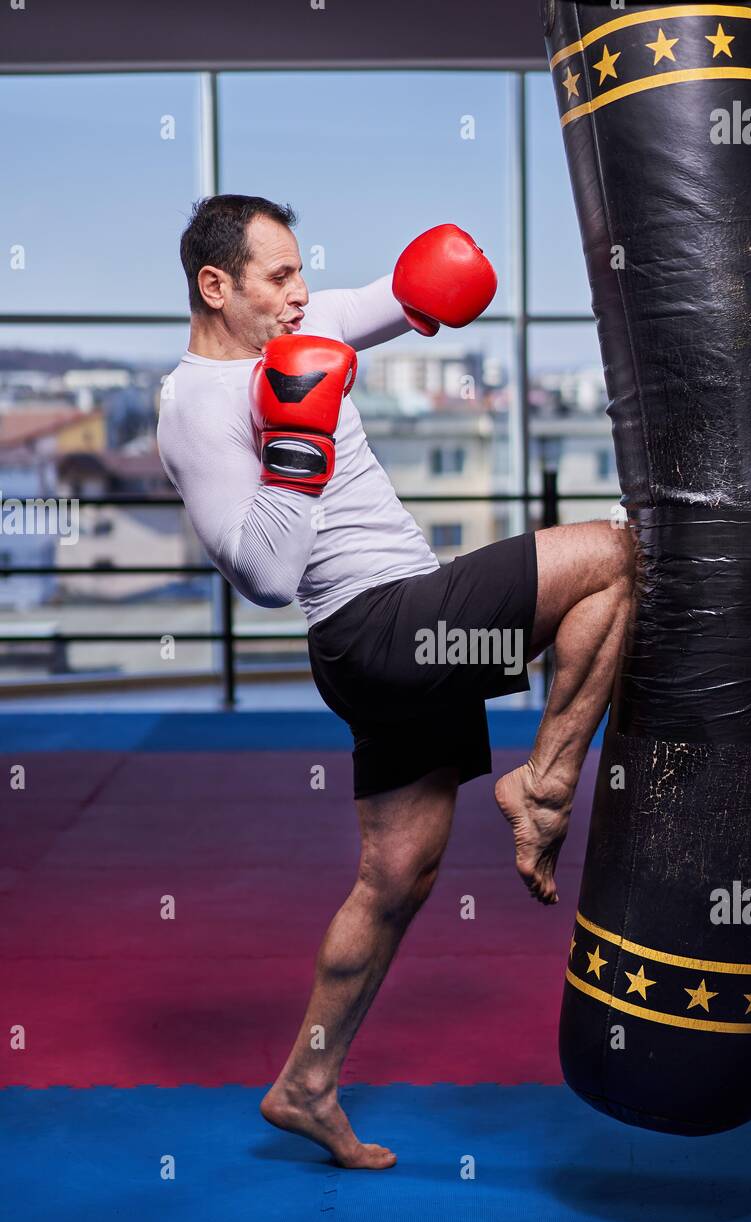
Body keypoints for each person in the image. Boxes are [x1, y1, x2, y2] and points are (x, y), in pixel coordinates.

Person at [157, 193, 636, 1168]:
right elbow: (259, 577)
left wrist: (433, 286)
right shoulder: (193, 407)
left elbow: (400, 293)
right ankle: (543, 783)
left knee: (394, 877)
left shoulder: (313, 323)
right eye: (278, 276)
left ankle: (304, 1082)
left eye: (300, 272)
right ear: (216, 285)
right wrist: (295, 456)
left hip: (408, 625)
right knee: (619, 555)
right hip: (374, 629)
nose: (300, 294)